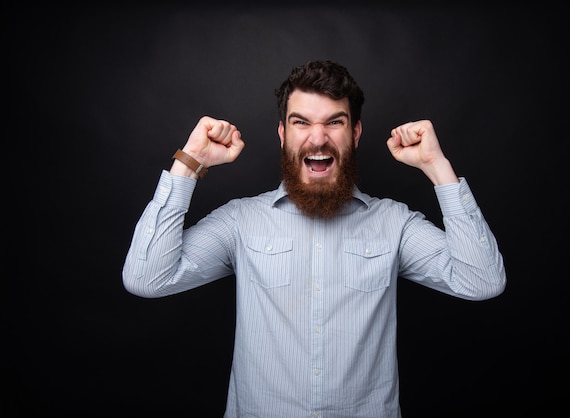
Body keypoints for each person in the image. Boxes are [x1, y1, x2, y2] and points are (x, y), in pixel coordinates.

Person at [122, 59, 506, 417]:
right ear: (282, 133)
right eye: (301, 122)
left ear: (355, 133)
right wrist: (190, 161)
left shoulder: (394, 222)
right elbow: (147, 277)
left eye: (335, 122)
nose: (318, 139)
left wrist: (437, 167)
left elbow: (482, 280)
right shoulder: (242, 220)